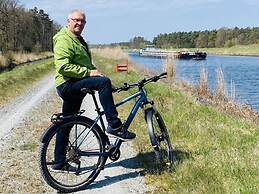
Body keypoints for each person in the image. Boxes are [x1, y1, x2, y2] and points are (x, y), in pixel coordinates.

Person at [52, 10, 135, 170]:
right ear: (68, 20)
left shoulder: (77, 39)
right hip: (68, 84)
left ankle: (59, 161)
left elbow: (84, 63)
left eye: (83, 21)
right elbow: (63, 67)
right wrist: (90, 74)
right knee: (104, 83)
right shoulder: (64, 39)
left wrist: (95, 72)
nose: (80, 24)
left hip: (73, 83)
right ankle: (115, 126)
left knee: (67, 123)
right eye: (76, 20)